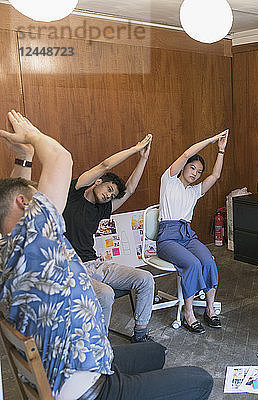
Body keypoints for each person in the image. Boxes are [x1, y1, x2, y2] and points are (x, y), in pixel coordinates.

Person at [0, 110, 213, 400]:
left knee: (155, 352)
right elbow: (61, 159)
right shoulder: (39, 244)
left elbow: (10, 198)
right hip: (88, 384)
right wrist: (33, 138)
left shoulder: (11, 250)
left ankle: (139, 333)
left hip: (72, 358)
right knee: (200, 380)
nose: (44, 201)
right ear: (27, 206)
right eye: (37, 198)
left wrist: (23, 158)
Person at [62, 133, 156, 343]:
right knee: (105, 294)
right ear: (98, 182)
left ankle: (140, 335)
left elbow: (130, 189)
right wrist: (135, 149)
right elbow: (105, 165)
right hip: (71, 267)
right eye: (109, 189)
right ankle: (99, 344)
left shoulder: (102, 209)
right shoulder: (73, 194)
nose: (108, 195)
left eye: (112, 195)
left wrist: (143, 158)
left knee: (145, 279)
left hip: (95, 264)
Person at [156, 129, 228, 334]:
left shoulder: (195, 191)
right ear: (184, 168)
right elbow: (187, 153)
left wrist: (220, 150)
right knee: (192, 263)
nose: (195, 173)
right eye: (192, 168)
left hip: (187, 235)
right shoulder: (169, 180)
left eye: (198, 172)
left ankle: (209, 310)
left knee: (208, 260)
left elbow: (215, 175)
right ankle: (188, 314)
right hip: (168, 237)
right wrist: (212, 139)